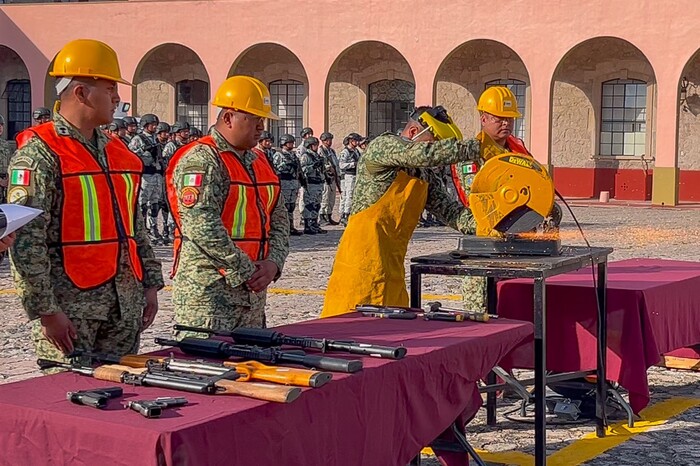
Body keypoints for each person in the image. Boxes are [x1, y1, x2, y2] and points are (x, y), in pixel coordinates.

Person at [8, 39, 163, 361]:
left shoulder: (118, 152)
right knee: (71, 399)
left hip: (124, 305)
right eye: (109, 89)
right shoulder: (40, 154)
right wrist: (46, 311)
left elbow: (134, 229)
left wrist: (149, 284)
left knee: (122, 394)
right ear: (80, 93)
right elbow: (27, 243)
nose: (118, 98)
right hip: (71, 310)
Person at [321, 105, 480, 318]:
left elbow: (451, 212)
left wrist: (490, 225)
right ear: (414, 132)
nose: (438, 154)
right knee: (347, 332)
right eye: (435, 145)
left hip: (393, 270)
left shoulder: (424, 176)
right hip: (359, 267)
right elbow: (425, 155)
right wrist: (479, 147)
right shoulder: (382, 147)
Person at [165, 75, 289, 335]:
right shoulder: (202, 159)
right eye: (254, 119)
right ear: (229, 117)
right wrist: (246, 269)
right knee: (204, 368)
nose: (261, 127)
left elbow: (279, 219)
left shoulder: (259, 160)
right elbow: (201, 225)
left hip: (252, 295)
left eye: (262, 120)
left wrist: (273, 263)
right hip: (209, 295)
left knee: (250, 368)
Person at [451, 86, 531, 312]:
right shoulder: (471, 152)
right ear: (484, 118)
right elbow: (474, 196)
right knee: (480, 308)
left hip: (517, 238)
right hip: (483, 238)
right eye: (499, 118)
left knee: (514, 304)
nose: (506, 123)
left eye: (510, 118)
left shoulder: (518, 151)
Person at [129, 113, 165, 244]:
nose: (154, 127)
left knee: (155, 202)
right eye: (152, 124)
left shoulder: (155, 139)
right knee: (142, 203)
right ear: (145, 125)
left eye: (155, 125)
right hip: (145, 175)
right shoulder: (139, 139)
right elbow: (131, 155)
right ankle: (141, 228)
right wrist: (144, 152)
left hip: (156, 174)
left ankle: (153, 227)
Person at [272, 134, 303, 236]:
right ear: (284, 143)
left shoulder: (293, 155)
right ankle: (284, 227)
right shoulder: (278, 155)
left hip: (293, 183)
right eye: (290, 143)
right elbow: (275, 169)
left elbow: (298, 168)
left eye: (292, 143)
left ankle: (291, 226)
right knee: (285, 206)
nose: (292, 145)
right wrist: (285, 165)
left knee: (291, 206)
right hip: (284, 182)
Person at [299, 136, 327, 235]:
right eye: (315, 145)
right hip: (310, 183)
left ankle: (315, 223)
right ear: (310, 146)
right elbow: (302, 170)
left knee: (317, 205)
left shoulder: (317, 156)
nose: (316, 147)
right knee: (309, 205)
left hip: (318, 183)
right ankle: (307, 225)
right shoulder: (305, 156)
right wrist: (313, 166)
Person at [337, 132, 362, 225]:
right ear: (351, 141)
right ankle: (345, 214)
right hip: (349, 176)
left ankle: (350, 213)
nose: (358, 143)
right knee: (349, 195)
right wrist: (352, 164)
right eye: (356, 141)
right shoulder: (345, 152)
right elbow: (341, 165)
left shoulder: (356, 151)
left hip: (356, 175)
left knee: (354, 195)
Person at [318, 132, 341, 226]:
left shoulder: (331, 151)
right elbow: (321, 163)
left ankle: (329, 215)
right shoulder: (321, 151)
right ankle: (323, 217)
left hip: (333, 177)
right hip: (326, 177)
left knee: (331, 198)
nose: (329, 141)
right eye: (327, 140)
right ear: (323, 141)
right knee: (325, 198)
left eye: (330, 140)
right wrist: (328, 168)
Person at [0, 114, 11, 203]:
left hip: (5, 185)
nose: (0, 127)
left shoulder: (5, 144)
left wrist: (9, 179)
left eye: (1, 125)